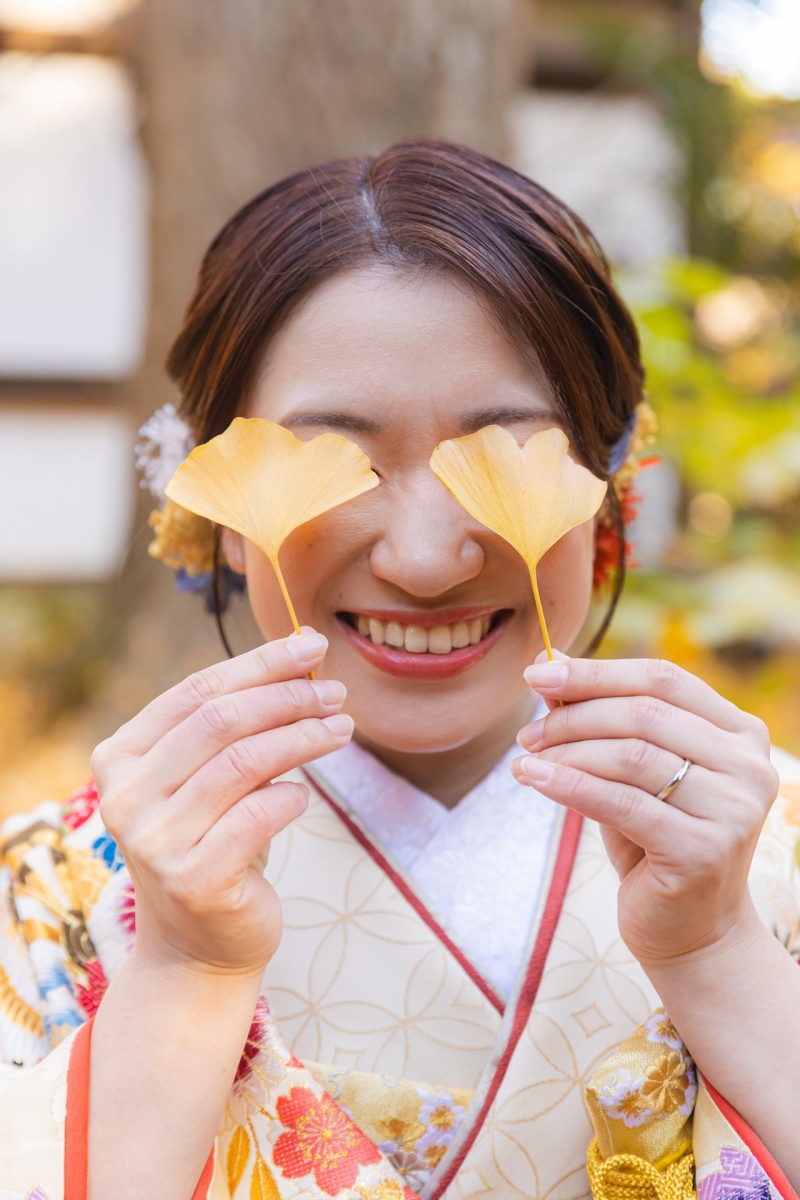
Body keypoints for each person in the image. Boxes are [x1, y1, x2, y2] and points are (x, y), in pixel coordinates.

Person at [1, 139, 798, 1200]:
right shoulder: (54, 888)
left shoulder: (764, 852)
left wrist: (717, 950)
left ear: (610, 485)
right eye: (336, 459)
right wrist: (185, 977)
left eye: (506, 455)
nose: (424, 560)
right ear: (214, 513)